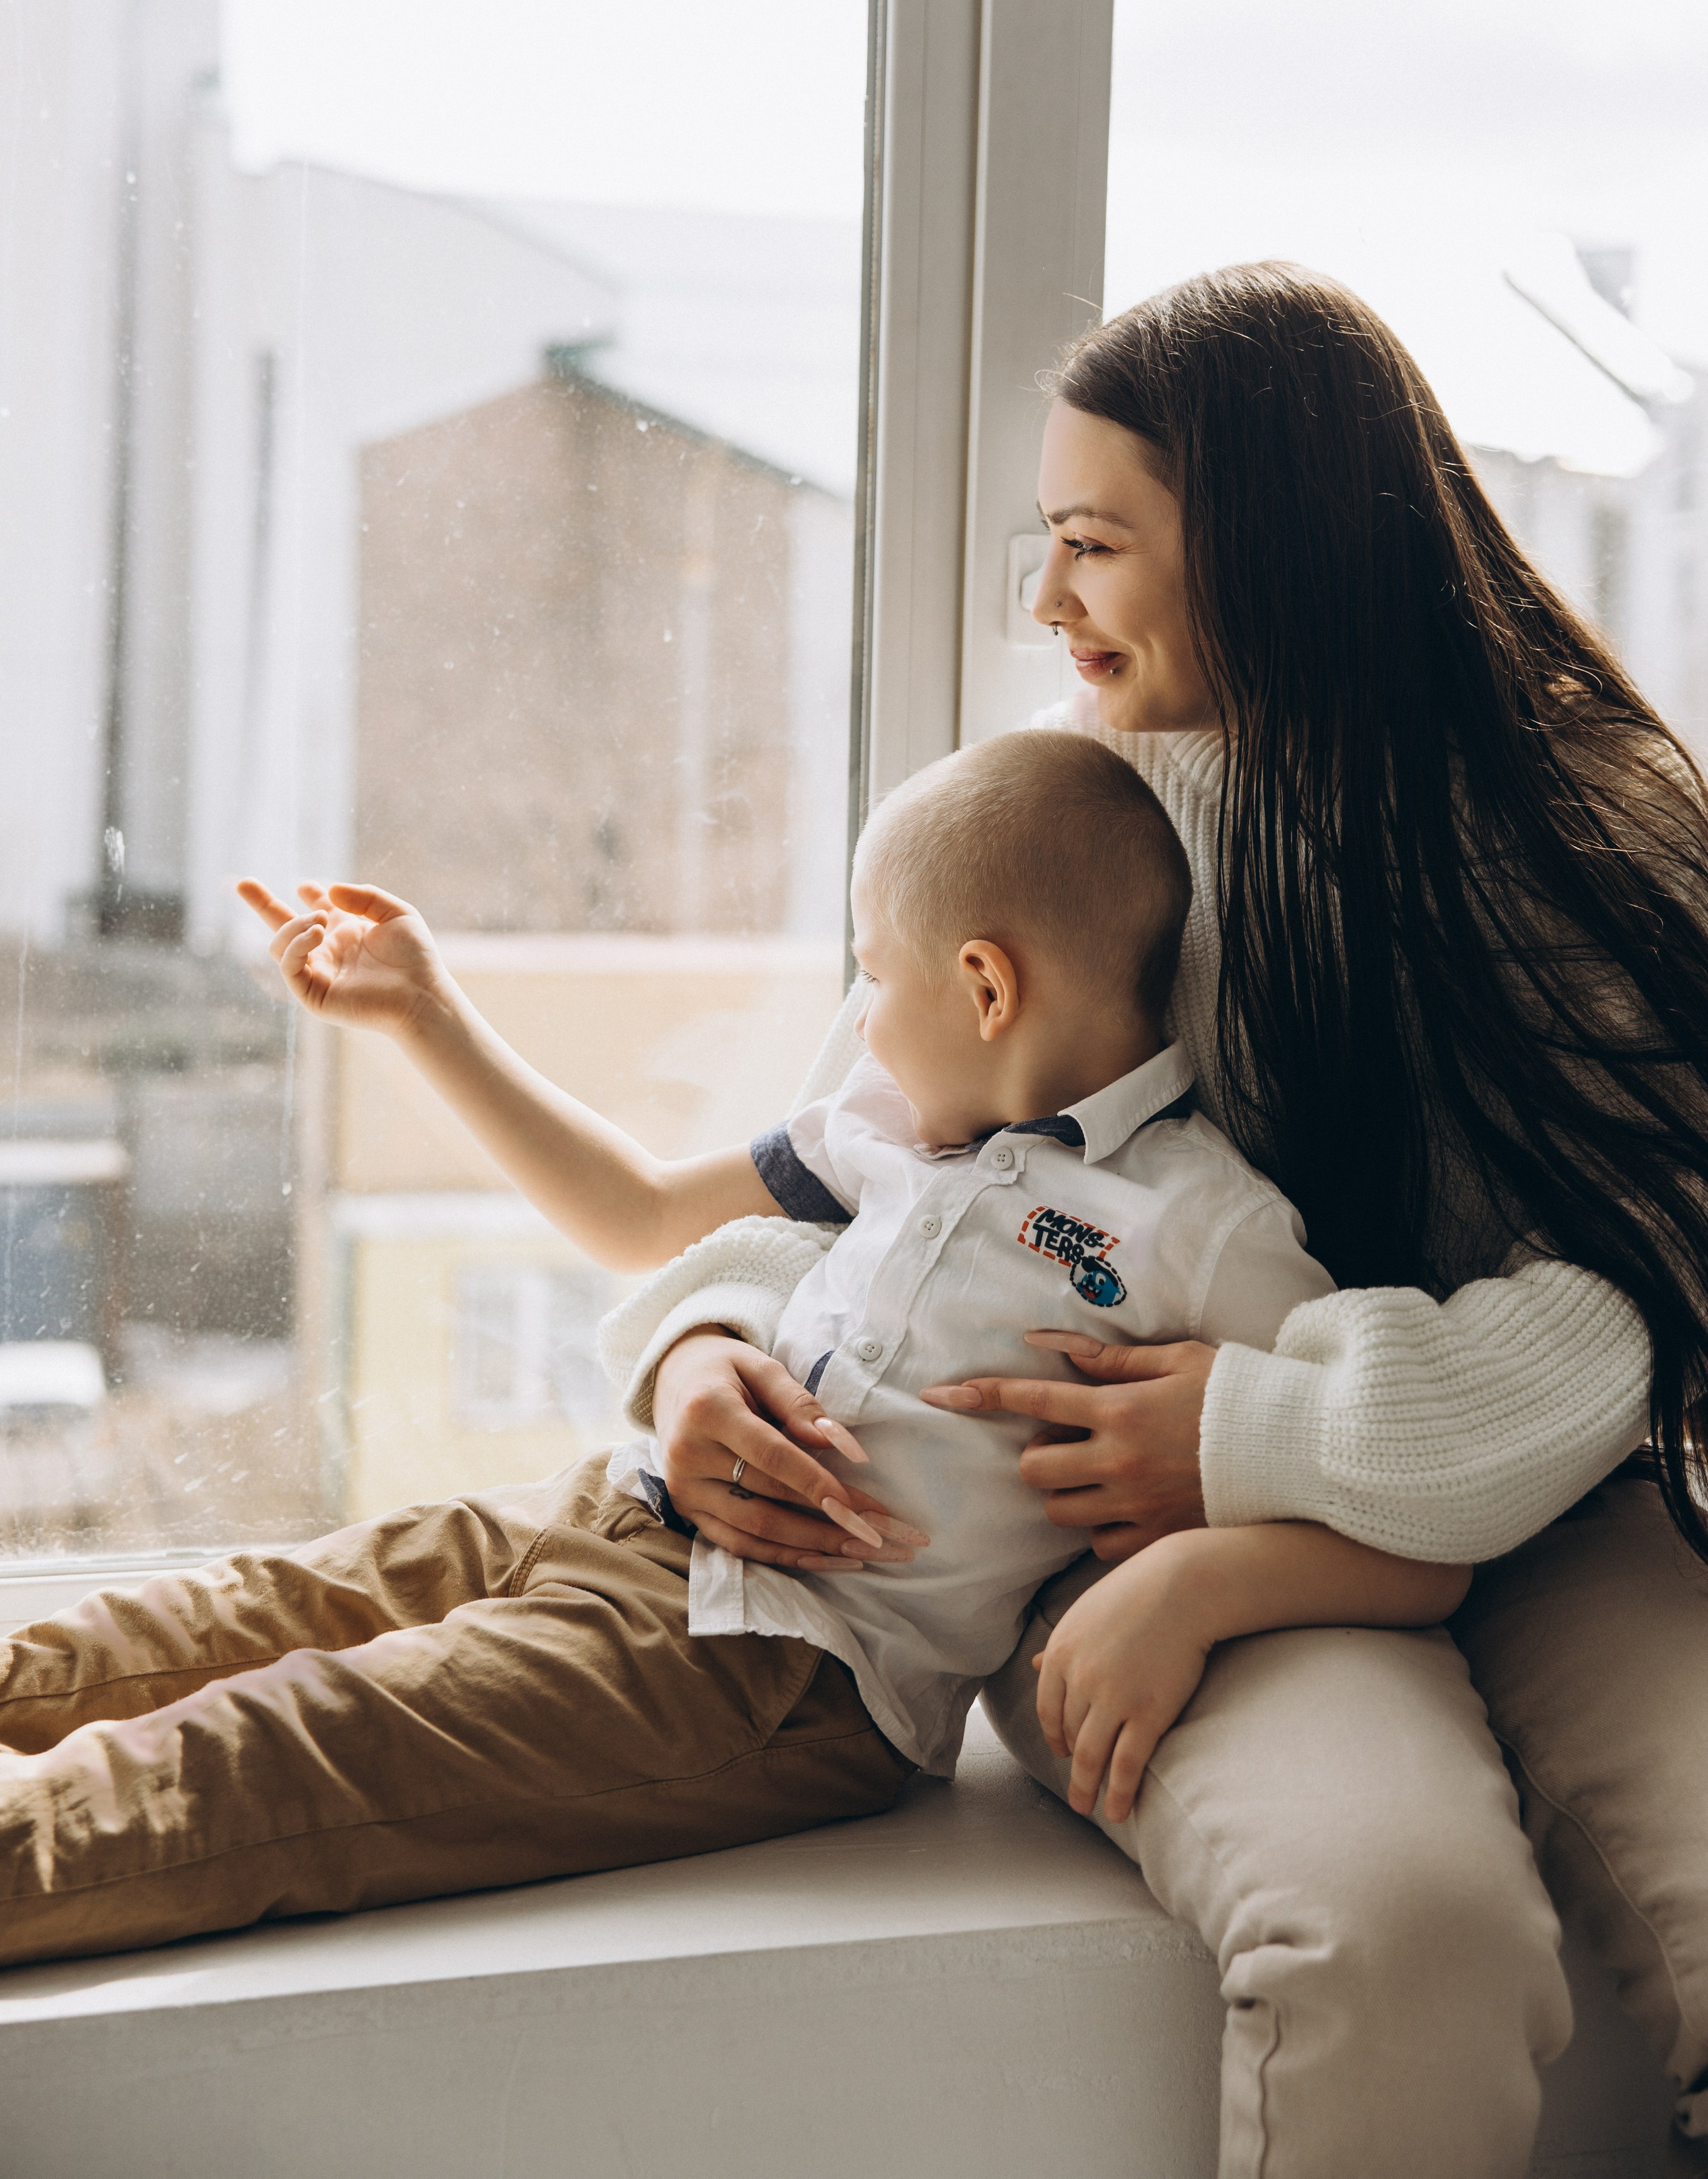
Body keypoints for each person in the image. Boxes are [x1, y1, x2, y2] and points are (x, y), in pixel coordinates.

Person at [638, 263, 1708, 2179]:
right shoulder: (1068, 803)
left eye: (1092, 544)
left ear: (1273, 544)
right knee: (1403, 1930)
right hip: (1127, 1524)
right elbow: (879, 1149)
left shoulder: (1585, 822)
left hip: (1554, 1498)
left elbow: (1640, 1272)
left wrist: (1263, 1432)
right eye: (1043, 542)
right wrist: (702, 1349)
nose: (1046, 601)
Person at [0, 728, 1458, 1969]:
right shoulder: (879, 1129)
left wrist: (1198, 1591)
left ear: (985, 989)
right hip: (609, 1508)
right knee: (236, 1613)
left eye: (872, 978)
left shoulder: (1198, 1225)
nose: (861, 1023)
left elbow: (1402, 1511)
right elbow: (635, 1213)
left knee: (289, 1746)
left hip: (773, 1672)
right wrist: (427, 1015)